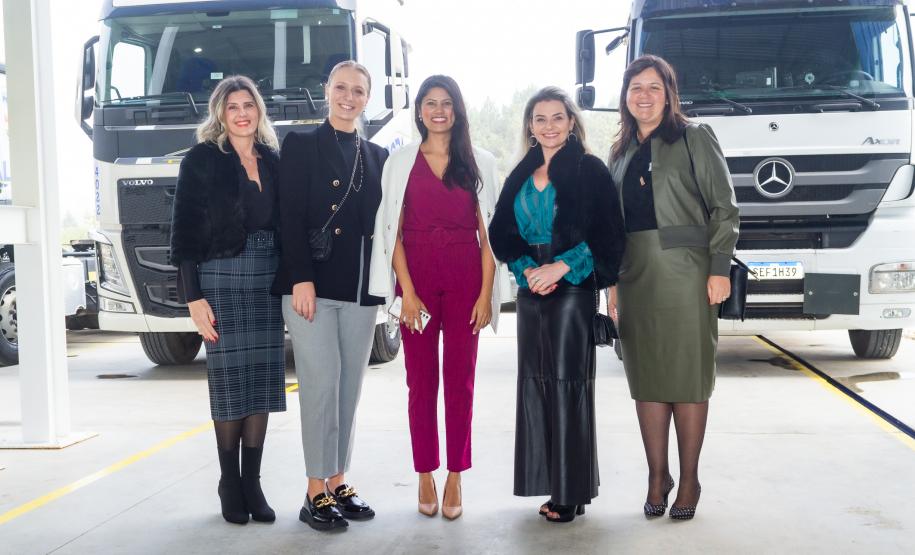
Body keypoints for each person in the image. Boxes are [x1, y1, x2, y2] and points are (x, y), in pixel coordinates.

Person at [368, 75, 510, 520]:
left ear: (457, 110)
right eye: (430, 103)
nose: (438, 110)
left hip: (468, 276)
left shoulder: (480, 161)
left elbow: (490, 235)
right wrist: (406, 293)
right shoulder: (400, 163)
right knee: (421, 381)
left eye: (446, 103)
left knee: (461, 381)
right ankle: (425, 471)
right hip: (418, 279)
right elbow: (391, 231)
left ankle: (456, 474)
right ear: (420, 111)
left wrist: (486, 295)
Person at [607, 55, 739, 520]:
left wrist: (719, 267)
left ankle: (689, 479)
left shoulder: (693, 137)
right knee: (646, 378)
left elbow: (724, 207)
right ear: (625, 97)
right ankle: (656, 475)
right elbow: (613, 225)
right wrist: (612, 282)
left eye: (653, 87)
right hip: (634, 274)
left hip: (688, 272)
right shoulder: (619, 152)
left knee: (686, 377)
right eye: (635, 87)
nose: (643, 95)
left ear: (669, 93)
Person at [488, 86, 625, 523]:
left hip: (572, 285)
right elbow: (502, 232)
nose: (548, 126)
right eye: (540, 118)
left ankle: (570, 494)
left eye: (557, 117)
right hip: (531, 288)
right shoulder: (520, 174)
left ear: (571, 122)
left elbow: (607, 236)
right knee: (539, 383)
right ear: (530, 125)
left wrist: (560, 268)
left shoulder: (590, 169)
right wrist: (528, 268)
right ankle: (560, 485)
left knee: (569, 385)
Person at [272, 61, 388, 532]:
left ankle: (338, 481)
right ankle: (313, 490)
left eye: (358, 90)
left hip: (360, 289)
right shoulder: (300, 144)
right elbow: (289, 214)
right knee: (320, 386)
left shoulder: (378, 155)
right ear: (327, 91)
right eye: (341, 88)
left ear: (367, 98)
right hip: (311, 287)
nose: (349, 97)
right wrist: (300, 277)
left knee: (349, 389)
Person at [169, 75, 283, 525]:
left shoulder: (273, 160)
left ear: (258, 112)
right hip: (220, 278)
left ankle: (252, 481)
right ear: (220, 113)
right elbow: (183, 234)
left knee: (261, 384)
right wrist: (192, 296)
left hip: (266, 278)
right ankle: (228, 481)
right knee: (230, 387)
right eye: (232, 106)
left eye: (248, 105)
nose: (241, 113)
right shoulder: (201, 160)